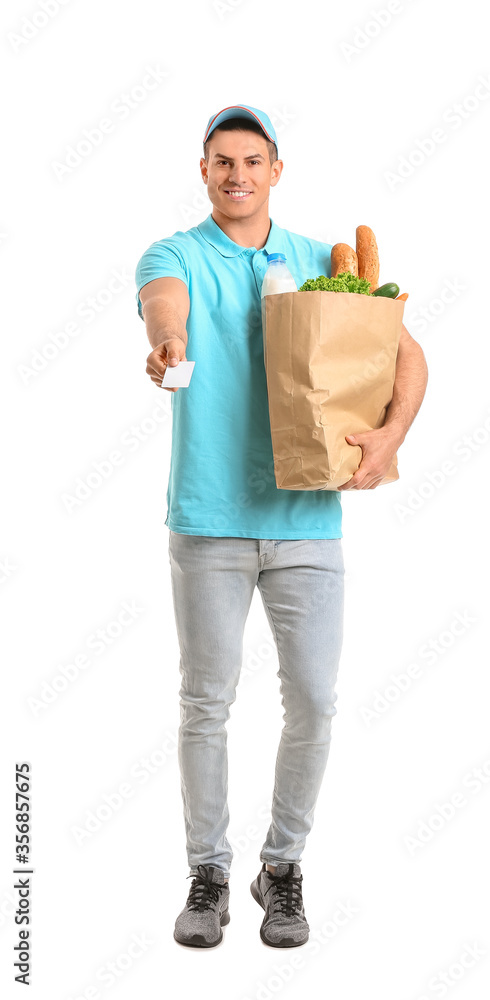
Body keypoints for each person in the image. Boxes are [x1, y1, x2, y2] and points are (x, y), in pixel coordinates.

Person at [134, 104, 428, 949]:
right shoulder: (176, 254)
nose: (237, 176)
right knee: (205, 702)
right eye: (222, 162)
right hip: (210, 520)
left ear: (275, 171)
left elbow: (404, 351)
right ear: (204, 171)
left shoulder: (319, 262)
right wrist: (167, 344)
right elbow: (165, 306)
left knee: (315, 702)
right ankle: (210, 872)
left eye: (252, 162)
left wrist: (391, 434)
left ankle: (282, 867)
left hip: (306, 521)